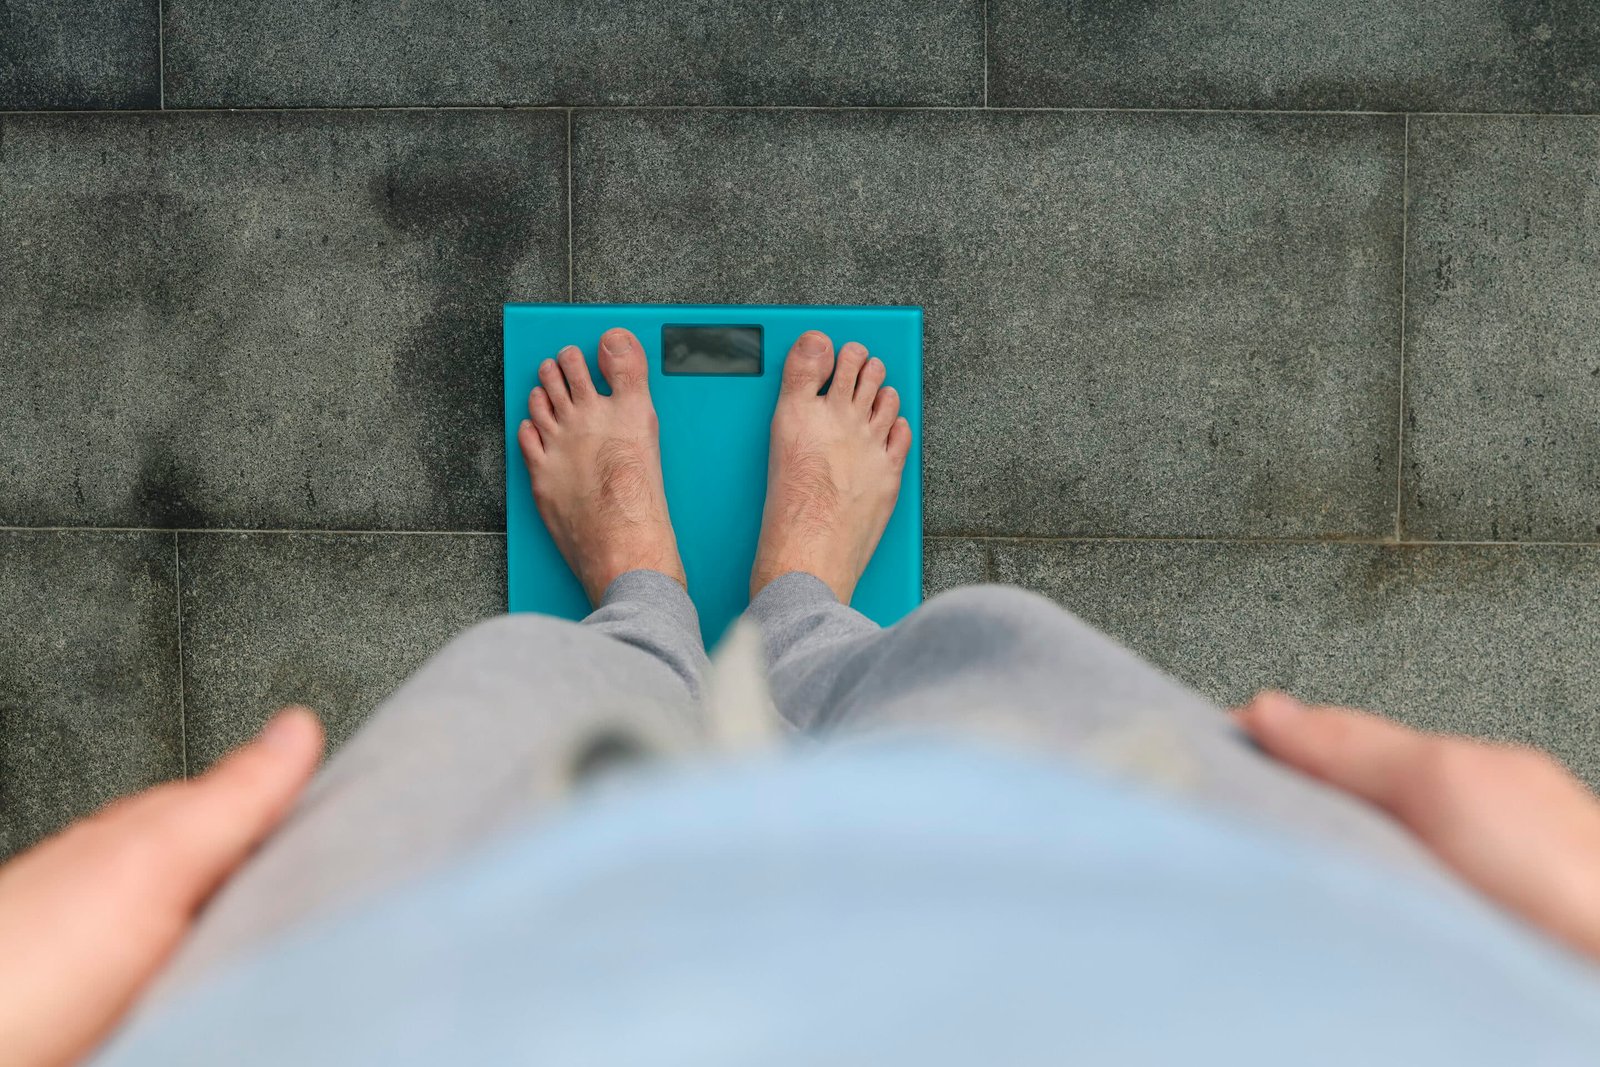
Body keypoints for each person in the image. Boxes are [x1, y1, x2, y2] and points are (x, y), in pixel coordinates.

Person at [5, 328, 1600, 1065]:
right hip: (1262, 985)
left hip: (397, 1002)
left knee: (538, 706)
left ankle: (649, 608)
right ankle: (792, 614)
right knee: (981, 673)